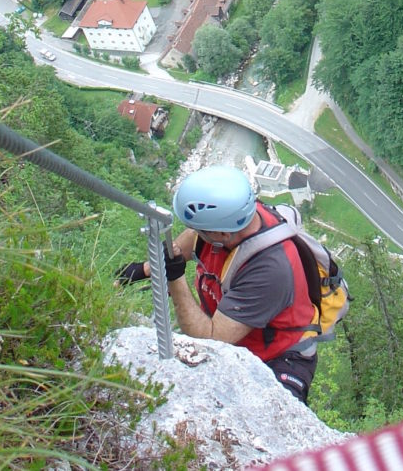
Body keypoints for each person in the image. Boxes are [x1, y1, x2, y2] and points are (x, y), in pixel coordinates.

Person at [118, 166, 321, 403]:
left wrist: (174, 277)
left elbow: (209, 337)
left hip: (280, 358)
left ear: (221, 234)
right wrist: (145, 269)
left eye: (201, 230)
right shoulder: (235, 221)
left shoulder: (269, 270)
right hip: (242, 340)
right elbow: (192, 240)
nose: (195, 233)